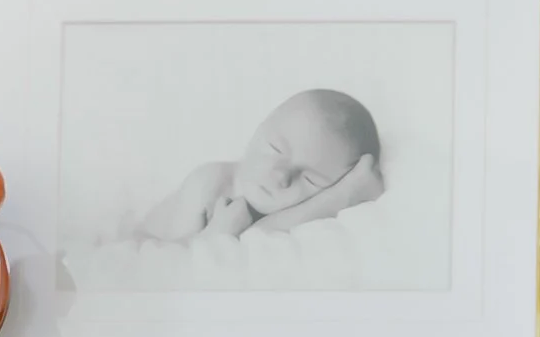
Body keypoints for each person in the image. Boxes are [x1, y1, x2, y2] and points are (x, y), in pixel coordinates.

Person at [133, 88, 384, 243]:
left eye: (311, 180)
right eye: (276, 149)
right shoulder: (209, 184)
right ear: (257, 129)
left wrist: (341, 197)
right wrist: (217, 234)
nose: (281, 176)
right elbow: (170, 263)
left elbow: (257, 236)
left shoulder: (289, 212)